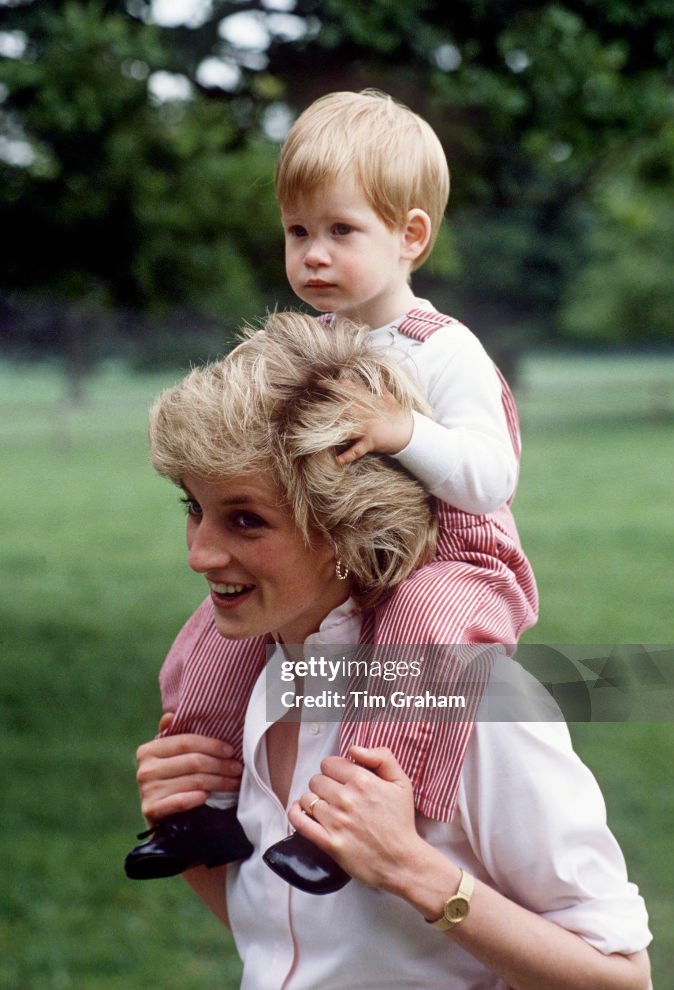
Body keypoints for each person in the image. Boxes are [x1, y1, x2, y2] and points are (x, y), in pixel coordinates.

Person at [133, 315, 653, 990]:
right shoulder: (250, 674)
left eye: (245, 521)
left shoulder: (468, 695)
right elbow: (307, 963)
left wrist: (413, 869)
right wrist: (191, 833)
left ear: (347, 526)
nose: (200, 553)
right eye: (194, 509)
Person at [125, 89, 538, 888]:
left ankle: (352, 815)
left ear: (410, 235)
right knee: (211, 640)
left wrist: (402, 432)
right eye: (298, 232)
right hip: (339, 548)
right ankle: (197, 806)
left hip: (454, 560)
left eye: (340, 231)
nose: (313, 254)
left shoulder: (441, 347)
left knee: (421, 632)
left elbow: (491, 479)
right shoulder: (311, 339)